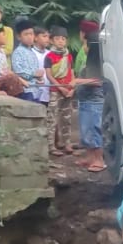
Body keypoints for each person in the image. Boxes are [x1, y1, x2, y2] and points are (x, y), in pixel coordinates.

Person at [73, 21, 106, 173]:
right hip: (86, 99)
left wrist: (77, 81)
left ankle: (99, 160)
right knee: (86, 130)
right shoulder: (92, 53)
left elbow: (97, 81)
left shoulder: (96, 53)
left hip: (94, 100)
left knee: (94, 129)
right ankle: (90, 157)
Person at [45, 26, 78, 156]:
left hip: (68, 90)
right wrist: (60, 88)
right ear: (52, 40)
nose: (60, 41)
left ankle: (67, 143)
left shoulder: (68, 55)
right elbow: (49, 75)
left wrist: (72, 87)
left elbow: (71, 71)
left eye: (63, 39)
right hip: (55, 90)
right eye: (57, 39)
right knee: (52, 119)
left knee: (67, 118)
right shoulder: (49, 56)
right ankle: (51, 146)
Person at [11, 19, 48, 107]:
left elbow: (36, 71)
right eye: (26, 34)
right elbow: (18, 71)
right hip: (25, 91)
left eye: (31, 34)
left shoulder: (32, 52)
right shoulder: (18, 52)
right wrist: (34, 74)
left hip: (36, 91)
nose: (29, 37)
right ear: (19, 37)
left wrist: (40, 78)